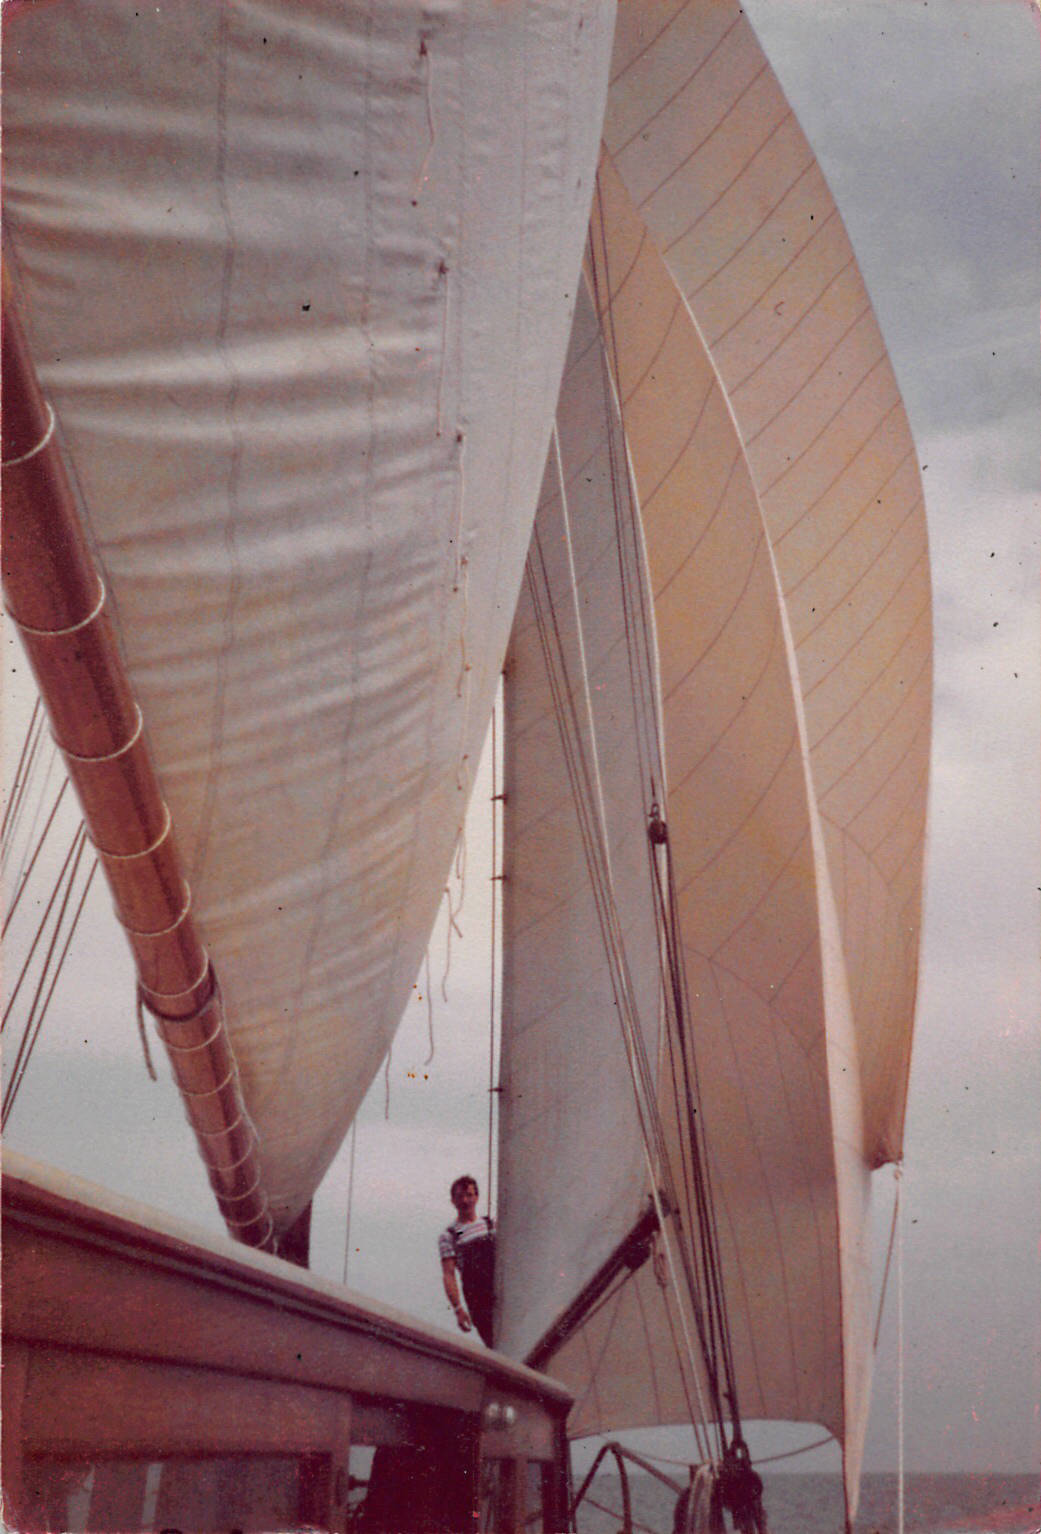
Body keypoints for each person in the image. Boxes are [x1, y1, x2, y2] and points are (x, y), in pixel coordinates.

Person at [438, 1174, 495, 1346]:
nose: (465, 1200)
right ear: (453, 1201)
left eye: (469, 1195)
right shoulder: (449, 1236)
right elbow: (449, 1275)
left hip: (501, 1289)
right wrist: (458, 1309)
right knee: (492, 1342)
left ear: (476, 1197)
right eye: (460, 1196)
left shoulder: (491, 1225)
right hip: (477, 1297)